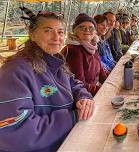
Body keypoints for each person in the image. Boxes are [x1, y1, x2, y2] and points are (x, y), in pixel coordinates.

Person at [0, 7, 94, 152]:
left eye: (61, 32)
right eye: (48, 30)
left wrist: (83, 97)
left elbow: (74, 84)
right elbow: (17, 133)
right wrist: (72, 116)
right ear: (32, 34)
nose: (57, 37)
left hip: (68, 140)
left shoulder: (55, 61)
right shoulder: (15, 71)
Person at [62, 13, 108, 95]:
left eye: (91, 28)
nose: (87, 30)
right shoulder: (73, 50)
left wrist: (109, 84)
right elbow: (79, 84)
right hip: (83, 97)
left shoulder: (93, 46)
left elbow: (101, 73)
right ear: (75, 30)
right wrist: (103, 91)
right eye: (82, 27)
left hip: (95, 90)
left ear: (95, 32)